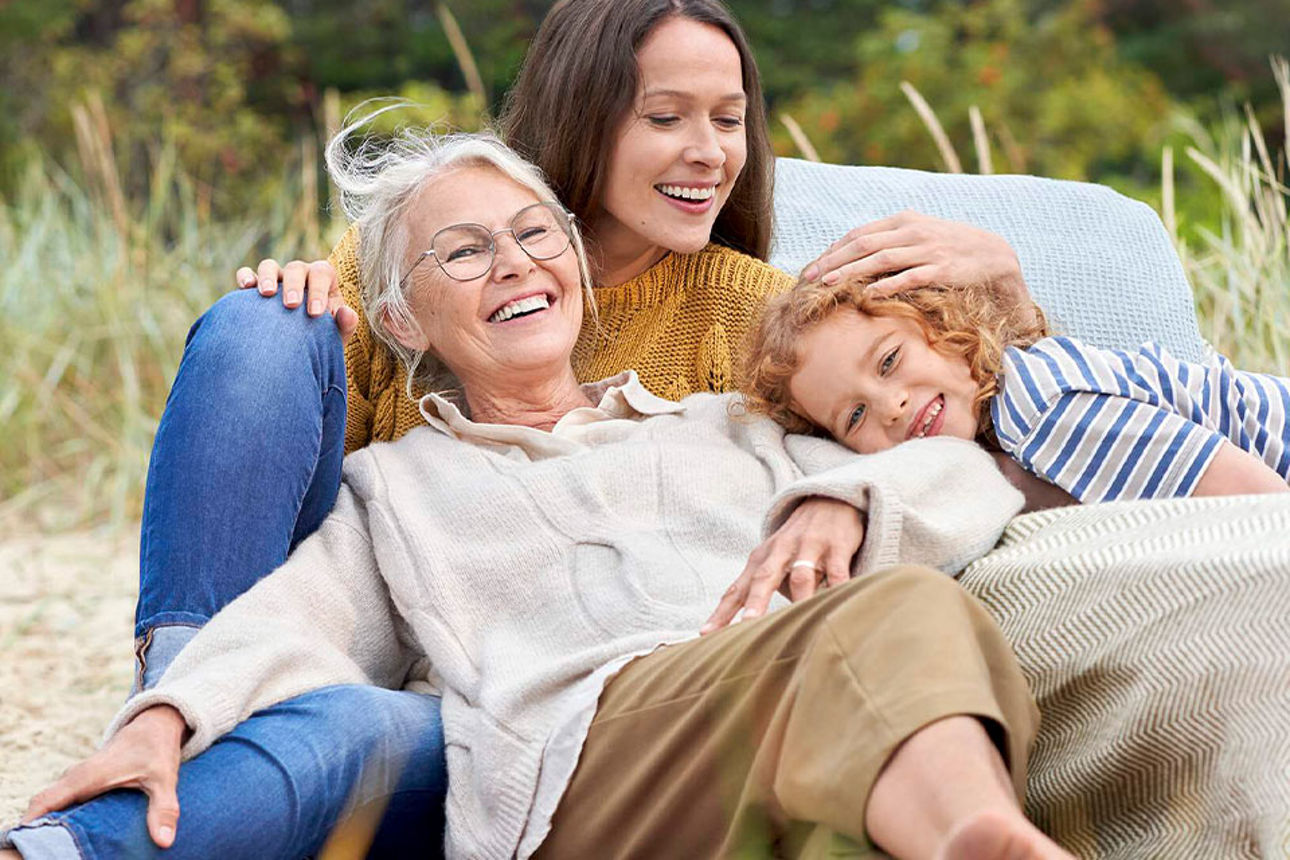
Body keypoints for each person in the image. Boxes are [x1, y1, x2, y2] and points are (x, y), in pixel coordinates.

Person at [17, 0, 1039, 855]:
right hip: (546, 736)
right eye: (466, 253)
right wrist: (171, 710)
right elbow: (302, 613)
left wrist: (847, 495)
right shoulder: (401, 485)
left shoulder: (734, 404)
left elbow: (948, 446)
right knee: (330, 706)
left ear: (577, 282)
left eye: (728, 119)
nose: (707, 151)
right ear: (404, 314)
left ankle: (982, 837)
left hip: (726, 690)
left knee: (899, 611)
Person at [741, 275, 1290, 504]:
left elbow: (1259, 506)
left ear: (946, 328)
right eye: (853, 417)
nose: (891, 406)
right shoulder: (1006, 424)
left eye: (889, 360)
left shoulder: (1040, 407)